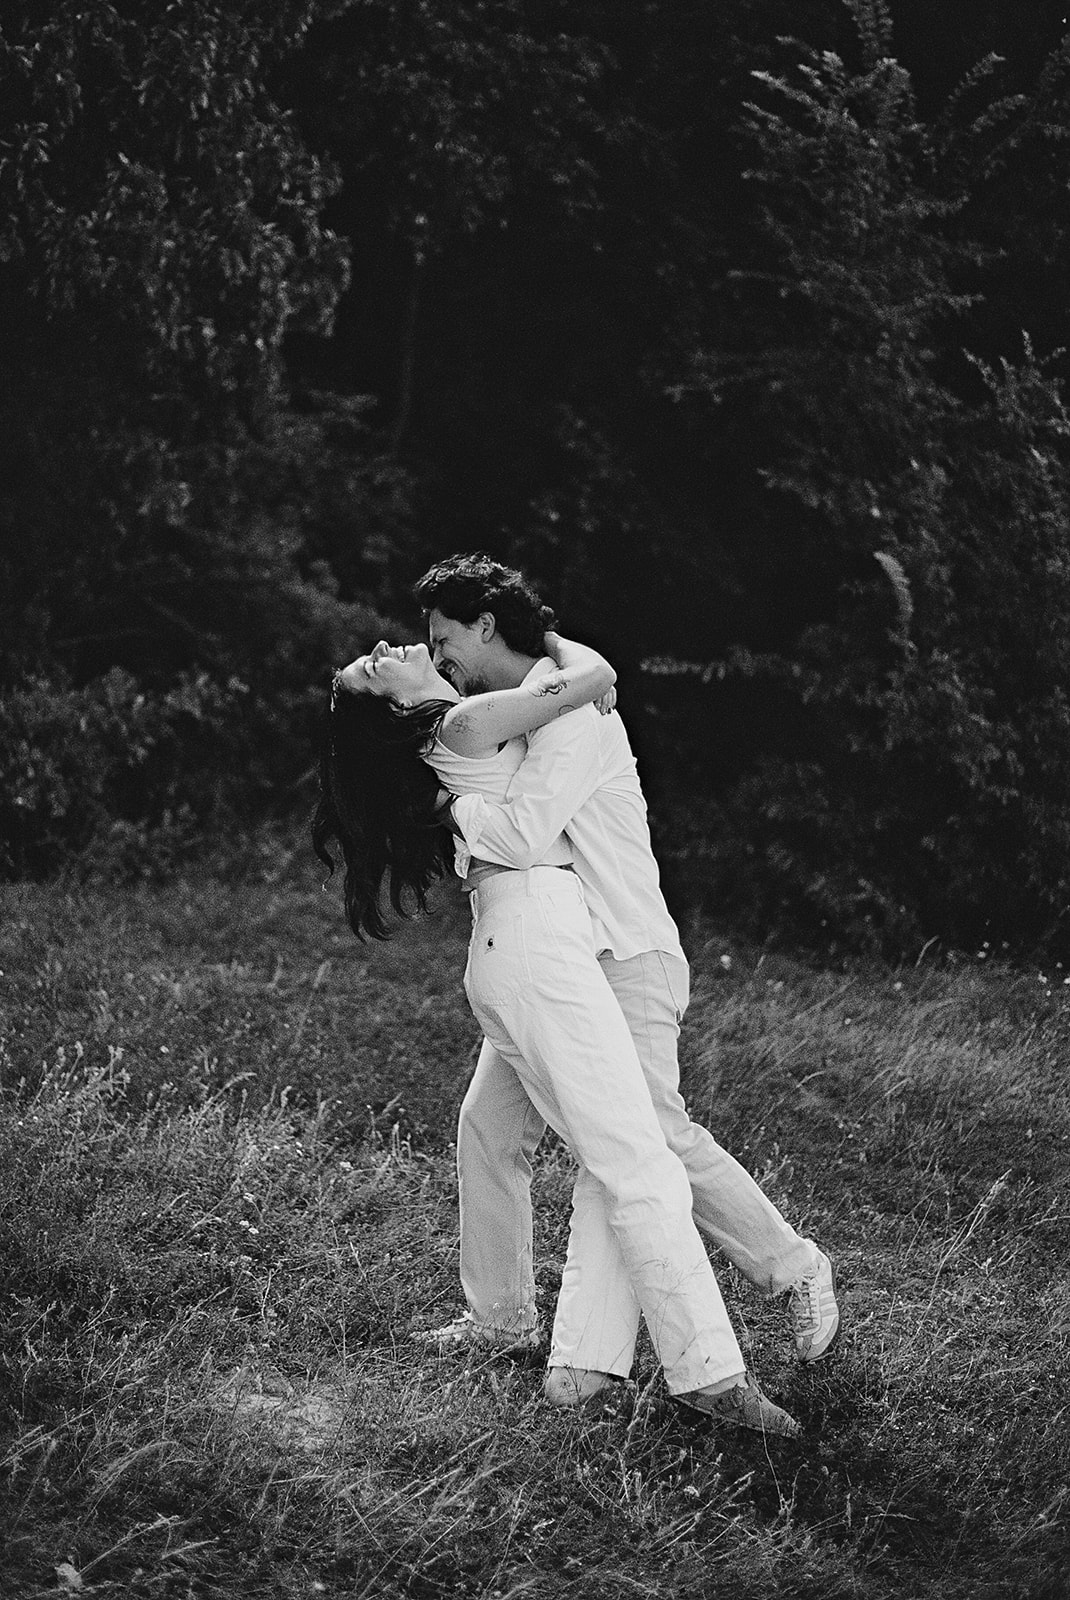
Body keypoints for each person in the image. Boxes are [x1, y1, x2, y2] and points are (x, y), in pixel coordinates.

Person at [314, 624, 803, 1437]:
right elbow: (592, 674)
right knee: (637, 1160)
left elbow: (561, 706)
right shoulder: (466, 723)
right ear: (397, 703)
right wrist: (571, 663)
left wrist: (571, 694)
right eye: (373, 667)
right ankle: (710, 1377)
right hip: (537, 943)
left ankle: (520, 1327)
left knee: (529, 1135)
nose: (383, 644)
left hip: (525, 940)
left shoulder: (465, 720)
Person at [411, 553, 840, 1411]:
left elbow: (526, 832)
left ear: (485, 626)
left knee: (650, 1142)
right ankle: (499, 1318)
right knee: (488, 1128)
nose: (438, 653)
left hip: (624, 954)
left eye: (444, 635)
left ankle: (793, 1269)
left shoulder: (570, 716)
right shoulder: (542, 698)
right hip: (566, 956)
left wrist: (450, 811)